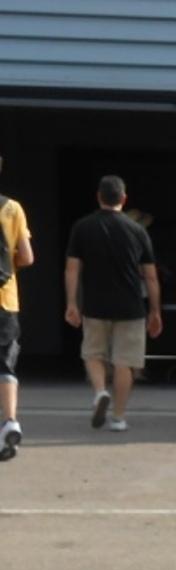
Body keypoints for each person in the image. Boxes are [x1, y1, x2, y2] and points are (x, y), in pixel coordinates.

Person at [63, 175, 161, 433]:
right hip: (131, 307)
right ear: (124, 199)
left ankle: (99, 392)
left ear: (98, 197)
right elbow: (150, 275)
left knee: (93, 354)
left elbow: (72, 269)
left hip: (95, 305)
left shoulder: (82, 227)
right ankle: (118, 417)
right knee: (124, 363)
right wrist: (155, 310)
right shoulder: (138, 231)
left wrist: (72, 303)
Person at [0, 156, 35, 457]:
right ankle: (10, 421)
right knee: (5, 364)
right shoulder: (12, 208)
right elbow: (27, 256)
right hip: (5, 299)